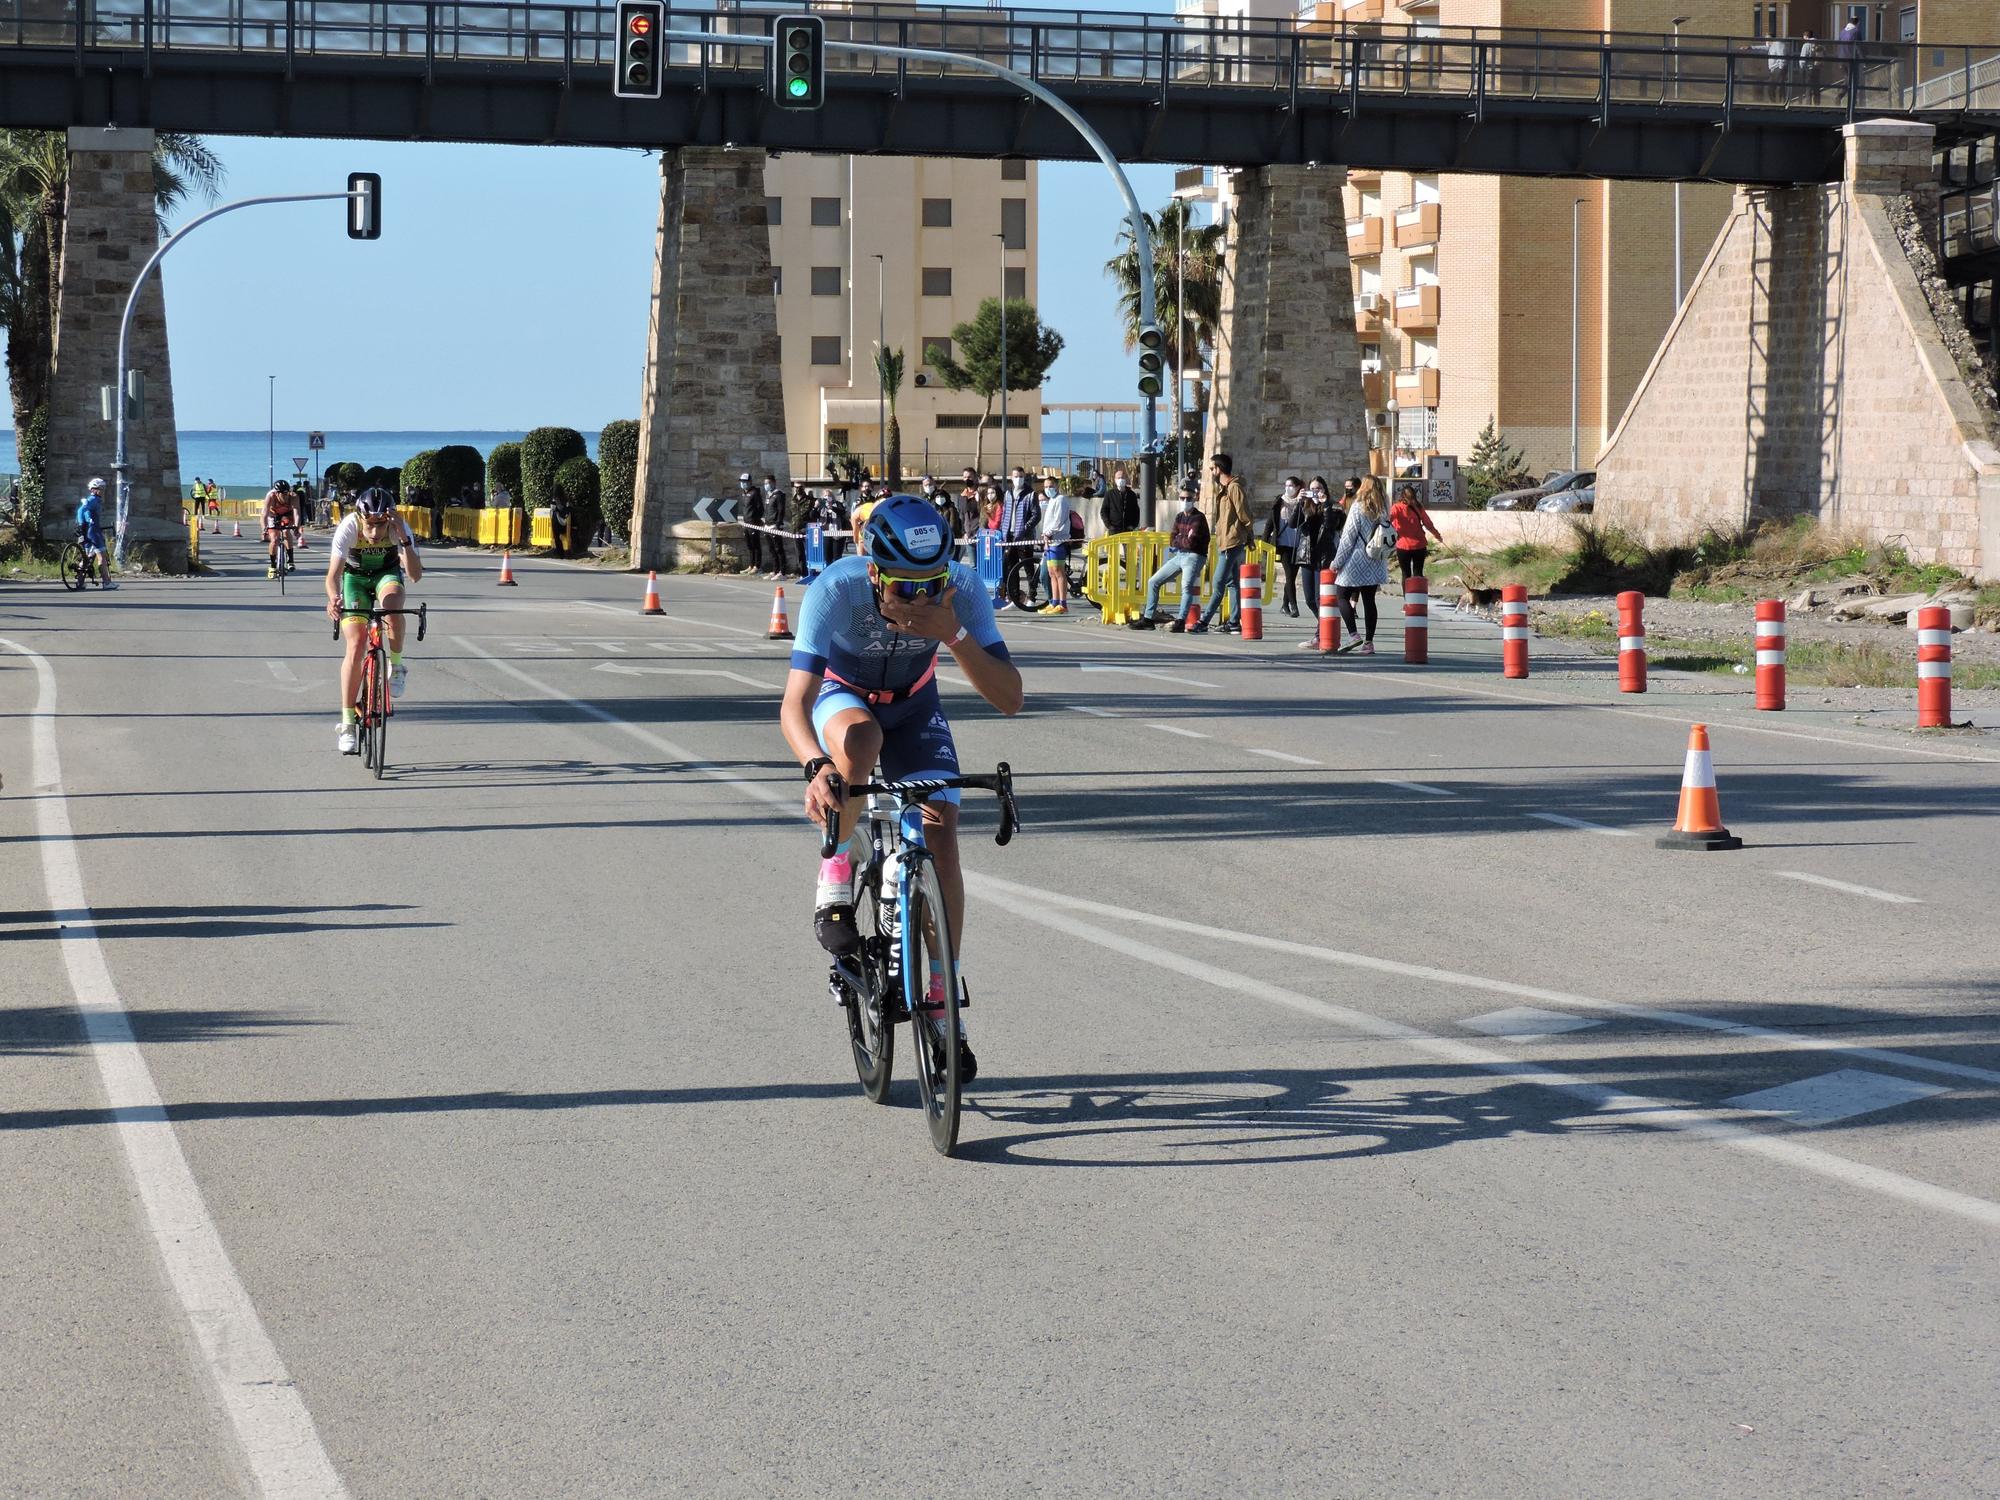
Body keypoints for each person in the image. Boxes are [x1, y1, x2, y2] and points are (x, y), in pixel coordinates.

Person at [780, 493, 1023, 1080]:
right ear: (874, 572)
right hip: (846, 699)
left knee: (942, 831)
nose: (920, 599)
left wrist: (955, 632)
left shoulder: (959, 593)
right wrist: (817, 766)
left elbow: (1011, 698)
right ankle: (835, 870)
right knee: (860, 741)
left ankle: (942, 1001)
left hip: (915, 706)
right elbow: (795, 703)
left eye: (931, 583)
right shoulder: (835, 591)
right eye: (904, 587)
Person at [325, 487, 423, 754]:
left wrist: (403, 540)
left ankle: (398, 666)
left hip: (386, 575)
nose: (376, 533)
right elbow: (332, 575)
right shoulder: (349, 526)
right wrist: (334, 599)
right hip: (354, 579)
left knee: (392, 606)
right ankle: (347, 723)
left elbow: (414, 575)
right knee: (356, 645)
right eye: (370, 525)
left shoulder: (398, 527)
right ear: (361, 517)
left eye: (381, 525)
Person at [1129, 482, 1209, 630]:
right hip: (1179, 555)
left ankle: (1180, 621)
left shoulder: (1199, 518)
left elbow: (1191, 543)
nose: (1185, 501)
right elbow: (1172, 538)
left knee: (1186, 587)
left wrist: (1180, 539)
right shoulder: (1179, 517)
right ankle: (1148, 619)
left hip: (1194, 556)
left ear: (1194, 499)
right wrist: (1180, 540)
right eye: (1182, 498)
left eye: (1188, 498)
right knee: (1153, 581)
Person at [1331, 474, 1390, 655]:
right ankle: (1369, 642)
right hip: (1376, 559)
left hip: (1357, 559)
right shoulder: (1383, 508)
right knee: (1369, 600)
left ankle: (1353, 634)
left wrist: (1337, 562)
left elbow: (1348, 538)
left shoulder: (1357, 508)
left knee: (1341, 594)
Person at [1193, 452, 1250, 635]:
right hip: (1224, 541)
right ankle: (1234, 622)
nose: (1211, 472)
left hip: (1232, 542)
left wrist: (1249, 536)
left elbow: (1244, 514)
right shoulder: (1224, 489)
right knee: (1232, 583)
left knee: (1218, 583)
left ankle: (1203, 621)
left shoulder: (1234, 488)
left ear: (1219, 469)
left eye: (1212, 468)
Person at [1263, 476, 1312, 617]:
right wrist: (1266, 544)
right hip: (1283, 543)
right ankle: (1294, 606)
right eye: (1286, 485)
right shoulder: (1280, 501)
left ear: (1298, 488)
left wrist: (1303, 502)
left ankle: (1284, 604)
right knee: (1289, 576)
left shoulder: (1303, 502)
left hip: (1298, 544)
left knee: (1293, 575)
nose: (1288, 488)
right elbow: (1269, 523)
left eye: (1291, 485)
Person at [1387, 482, 1444, 584]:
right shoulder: (1418, 507)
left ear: (1402, 496)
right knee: (1418, 573)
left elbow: (1388, 521)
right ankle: (1417, 597)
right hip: (1419, 545)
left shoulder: (1396, 507)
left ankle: (1407, 598)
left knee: (1405, 574)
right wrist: (1437, 536)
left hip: (1403, 546)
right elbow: (1428, 524)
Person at [999, 477, 1041, 611]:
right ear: (1012, 478)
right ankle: (1015, 599)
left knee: (1028, 568)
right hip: (1009, 536)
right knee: (1012, 568)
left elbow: (1036, 515)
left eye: (1021, 476)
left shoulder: (1030, 494)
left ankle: (1032, 597)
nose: (1018, 479)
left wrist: (1025, 528)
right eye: (1016, 476)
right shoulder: (1008, 493)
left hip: (1024, 537)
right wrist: (1003, 529)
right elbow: (1005, 513)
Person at [1036, 476, 1073, 615]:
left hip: (1058, 541)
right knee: (1051, 573)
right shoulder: (1051, 500)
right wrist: (1045, 535)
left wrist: (1050, 533)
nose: (1048, 489)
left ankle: (1063, 604)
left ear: (1056, 486)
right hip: (1050, 541)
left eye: (1050, 486)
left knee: (1059, 572)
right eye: (1045, 487)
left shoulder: (1061, 500)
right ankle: (1054, 602)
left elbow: (1058, 521)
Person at [75, 477, 115, 590]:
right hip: (93, 531)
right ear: (93, 489)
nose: (102, 491)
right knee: (101, 557)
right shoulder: (93, 499)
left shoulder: (94, 500)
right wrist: (82, 523)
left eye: (103, 488)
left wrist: (84, 524)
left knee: (87, 557)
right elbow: (81, 511)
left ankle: (80, 582)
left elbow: (87, 512)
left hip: (88, 531)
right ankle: (107, 583)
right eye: (99, 488)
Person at [262, 480, 300, 577]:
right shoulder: (271, 496)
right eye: (282, 493)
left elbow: (296, 513)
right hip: (273, 515)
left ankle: (290, 560)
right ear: (277, 493)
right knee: (274, 540)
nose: (285, 495)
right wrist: (264, 529)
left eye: (286, 493)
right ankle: (273, 566)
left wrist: (296, 527)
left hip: (287, 515)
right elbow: (264, 515)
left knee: (286, 531)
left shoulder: (293, 497)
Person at [1098, 466, 1139, 535]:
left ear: (1126, 479)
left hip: (1128, 531)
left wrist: (1133, 525)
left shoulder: (1132, 495)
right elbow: (1104, 511)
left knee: (1128, 546)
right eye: (1118, 478)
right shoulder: (1109, 494)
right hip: (1114, 531)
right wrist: (1109, 526)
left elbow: (1136, 511)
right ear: (1115, 480)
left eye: (1122, 477)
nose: (1121, 479)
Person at [740, 471, 767, 576]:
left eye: (745, 481)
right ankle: (751, 565)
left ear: (750, 482)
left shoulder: (755, 492)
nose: (743, 483)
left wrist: (756, 519)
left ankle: (757, 566)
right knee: (749, 545)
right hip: (746, 523)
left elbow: (760, 508)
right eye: (742, 481)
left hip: (753, 523)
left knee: (756, 545)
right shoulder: (744, 493)